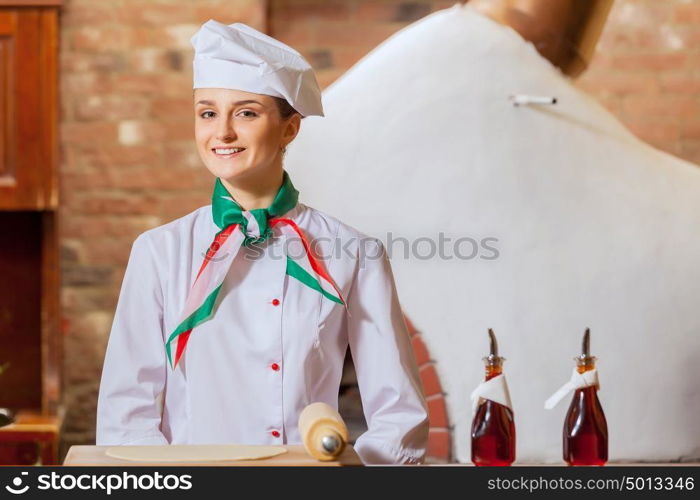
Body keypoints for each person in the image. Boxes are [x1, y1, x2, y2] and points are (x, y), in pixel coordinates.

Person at [96, 20, 429, 465]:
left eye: (247, 112)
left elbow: (399, 415)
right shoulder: (158, 251)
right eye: (208, 113)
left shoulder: (355, 252)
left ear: (290, 129)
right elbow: (127, 414)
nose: (223, 133)